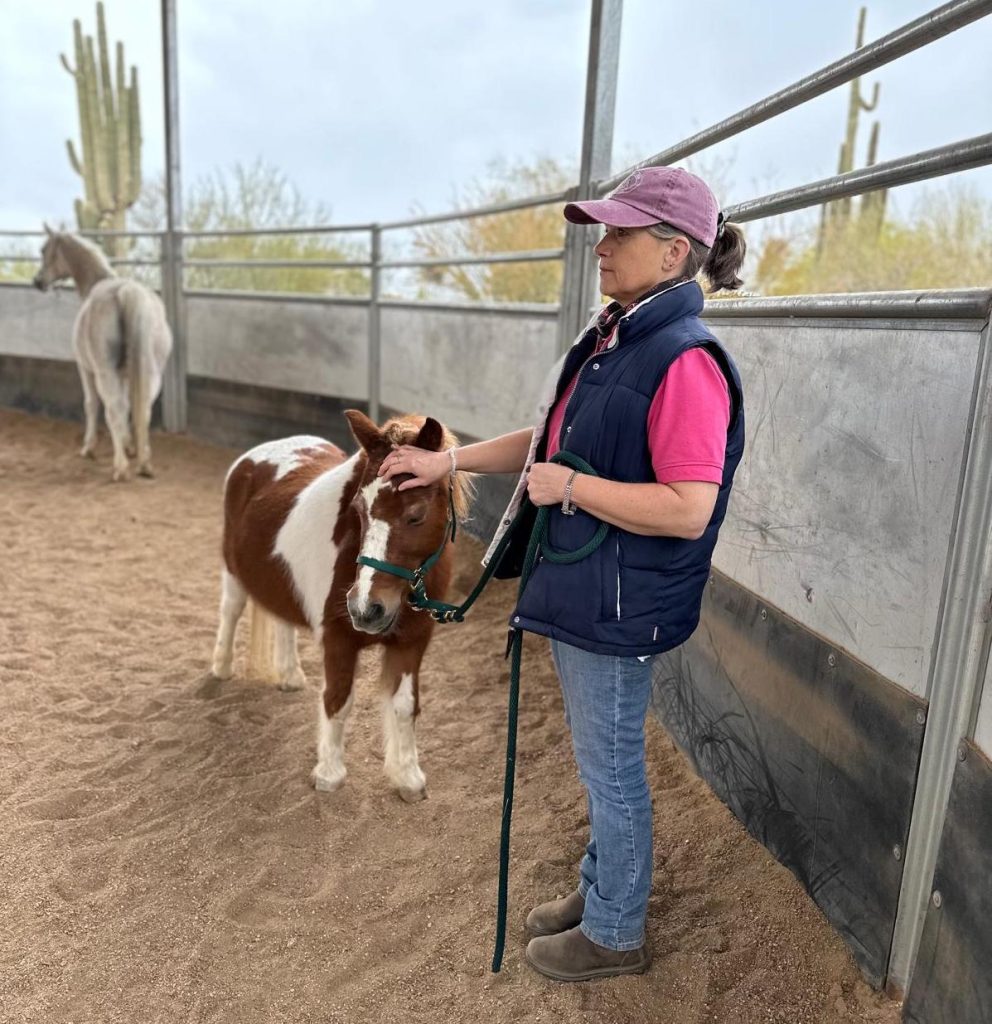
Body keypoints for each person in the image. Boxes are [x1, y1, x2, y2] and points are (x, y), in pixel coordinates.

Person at [379, 166, 746, 982]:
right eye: (604, 231)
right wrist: (449, 462)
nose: (602, 247)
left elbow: (689, 506)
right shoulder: (619, 338)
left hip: (619, 603)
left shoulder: (683, 360)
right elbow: (544, 435)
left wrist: (572, 488)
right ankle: (602, 887)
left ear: (674, 250)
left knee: (611, 769)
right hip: (591, 592)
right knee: (600, 761)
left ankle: (616, 932)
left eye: (620, 233)